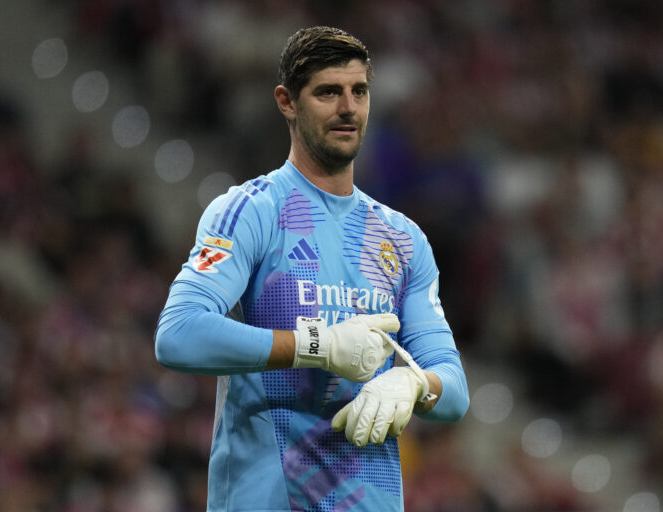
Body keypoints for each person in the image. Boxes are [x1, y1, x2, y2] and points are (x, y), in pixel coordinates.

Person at [155, 26, 469, 511]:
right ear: (286, 102)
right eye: (328, 92)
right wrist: (316, 347)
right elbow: (179, 334)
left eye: (358, 92)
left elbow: (454, 389)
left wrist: (412, 384)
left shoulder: (403, 240)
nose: (348, 108)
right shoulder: (250, 211)